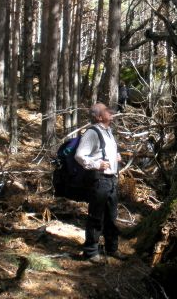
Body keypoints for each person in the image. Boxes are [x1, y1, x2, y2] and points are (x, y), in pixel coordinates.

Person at [75, 103, 126, 263]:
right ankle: (91, 252)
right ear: (98, 117)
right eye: (105, 110)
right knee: (96, 217)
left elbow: (103, 151)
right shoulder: (92, 132)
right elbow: (80, 155)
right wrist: (97, 164)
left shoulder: (108, 131)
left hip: (111, 180)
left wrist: (115, 157)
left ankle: (112, 249)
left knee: (111, 217)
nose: (109, 111)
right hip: (99, 180)